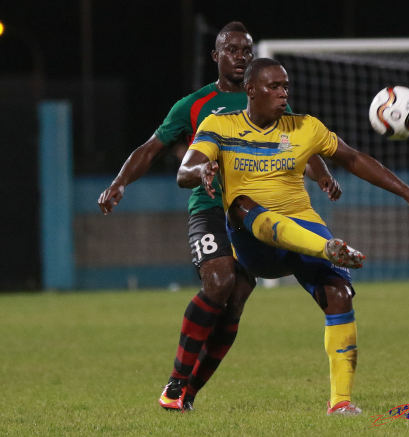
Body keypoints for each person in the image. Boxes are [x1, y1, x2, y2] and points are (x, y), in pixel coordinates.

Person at [177, 57, 409, 415]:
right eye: (274, 86)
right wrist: (203, 168)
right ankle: (327, 249)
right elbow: (186, 169)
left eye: (285, 86)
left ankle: (341, 404)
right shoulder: (220, 125)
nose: (282, 93)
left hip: (300, 224)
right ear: (251, 90)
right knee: (240, 203)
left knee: (340, 294)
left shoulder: (305, 127)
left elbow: (353, 159)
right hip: (253, 240)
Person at [97, 23, 340, 412]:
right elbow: (151, 148)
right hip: (209, 209)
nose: (241, 56)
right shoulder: (194, 105)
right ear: (216, 56)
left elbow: (301, 144)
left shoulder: (268, 99)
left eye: (247, 50)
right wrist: (120, 183)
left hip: (252, 211)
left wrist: (323, 173)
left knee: (237, 299)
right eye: (232, 50)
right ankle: (177, 381)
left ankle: (188, 395)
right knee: (220, 280)